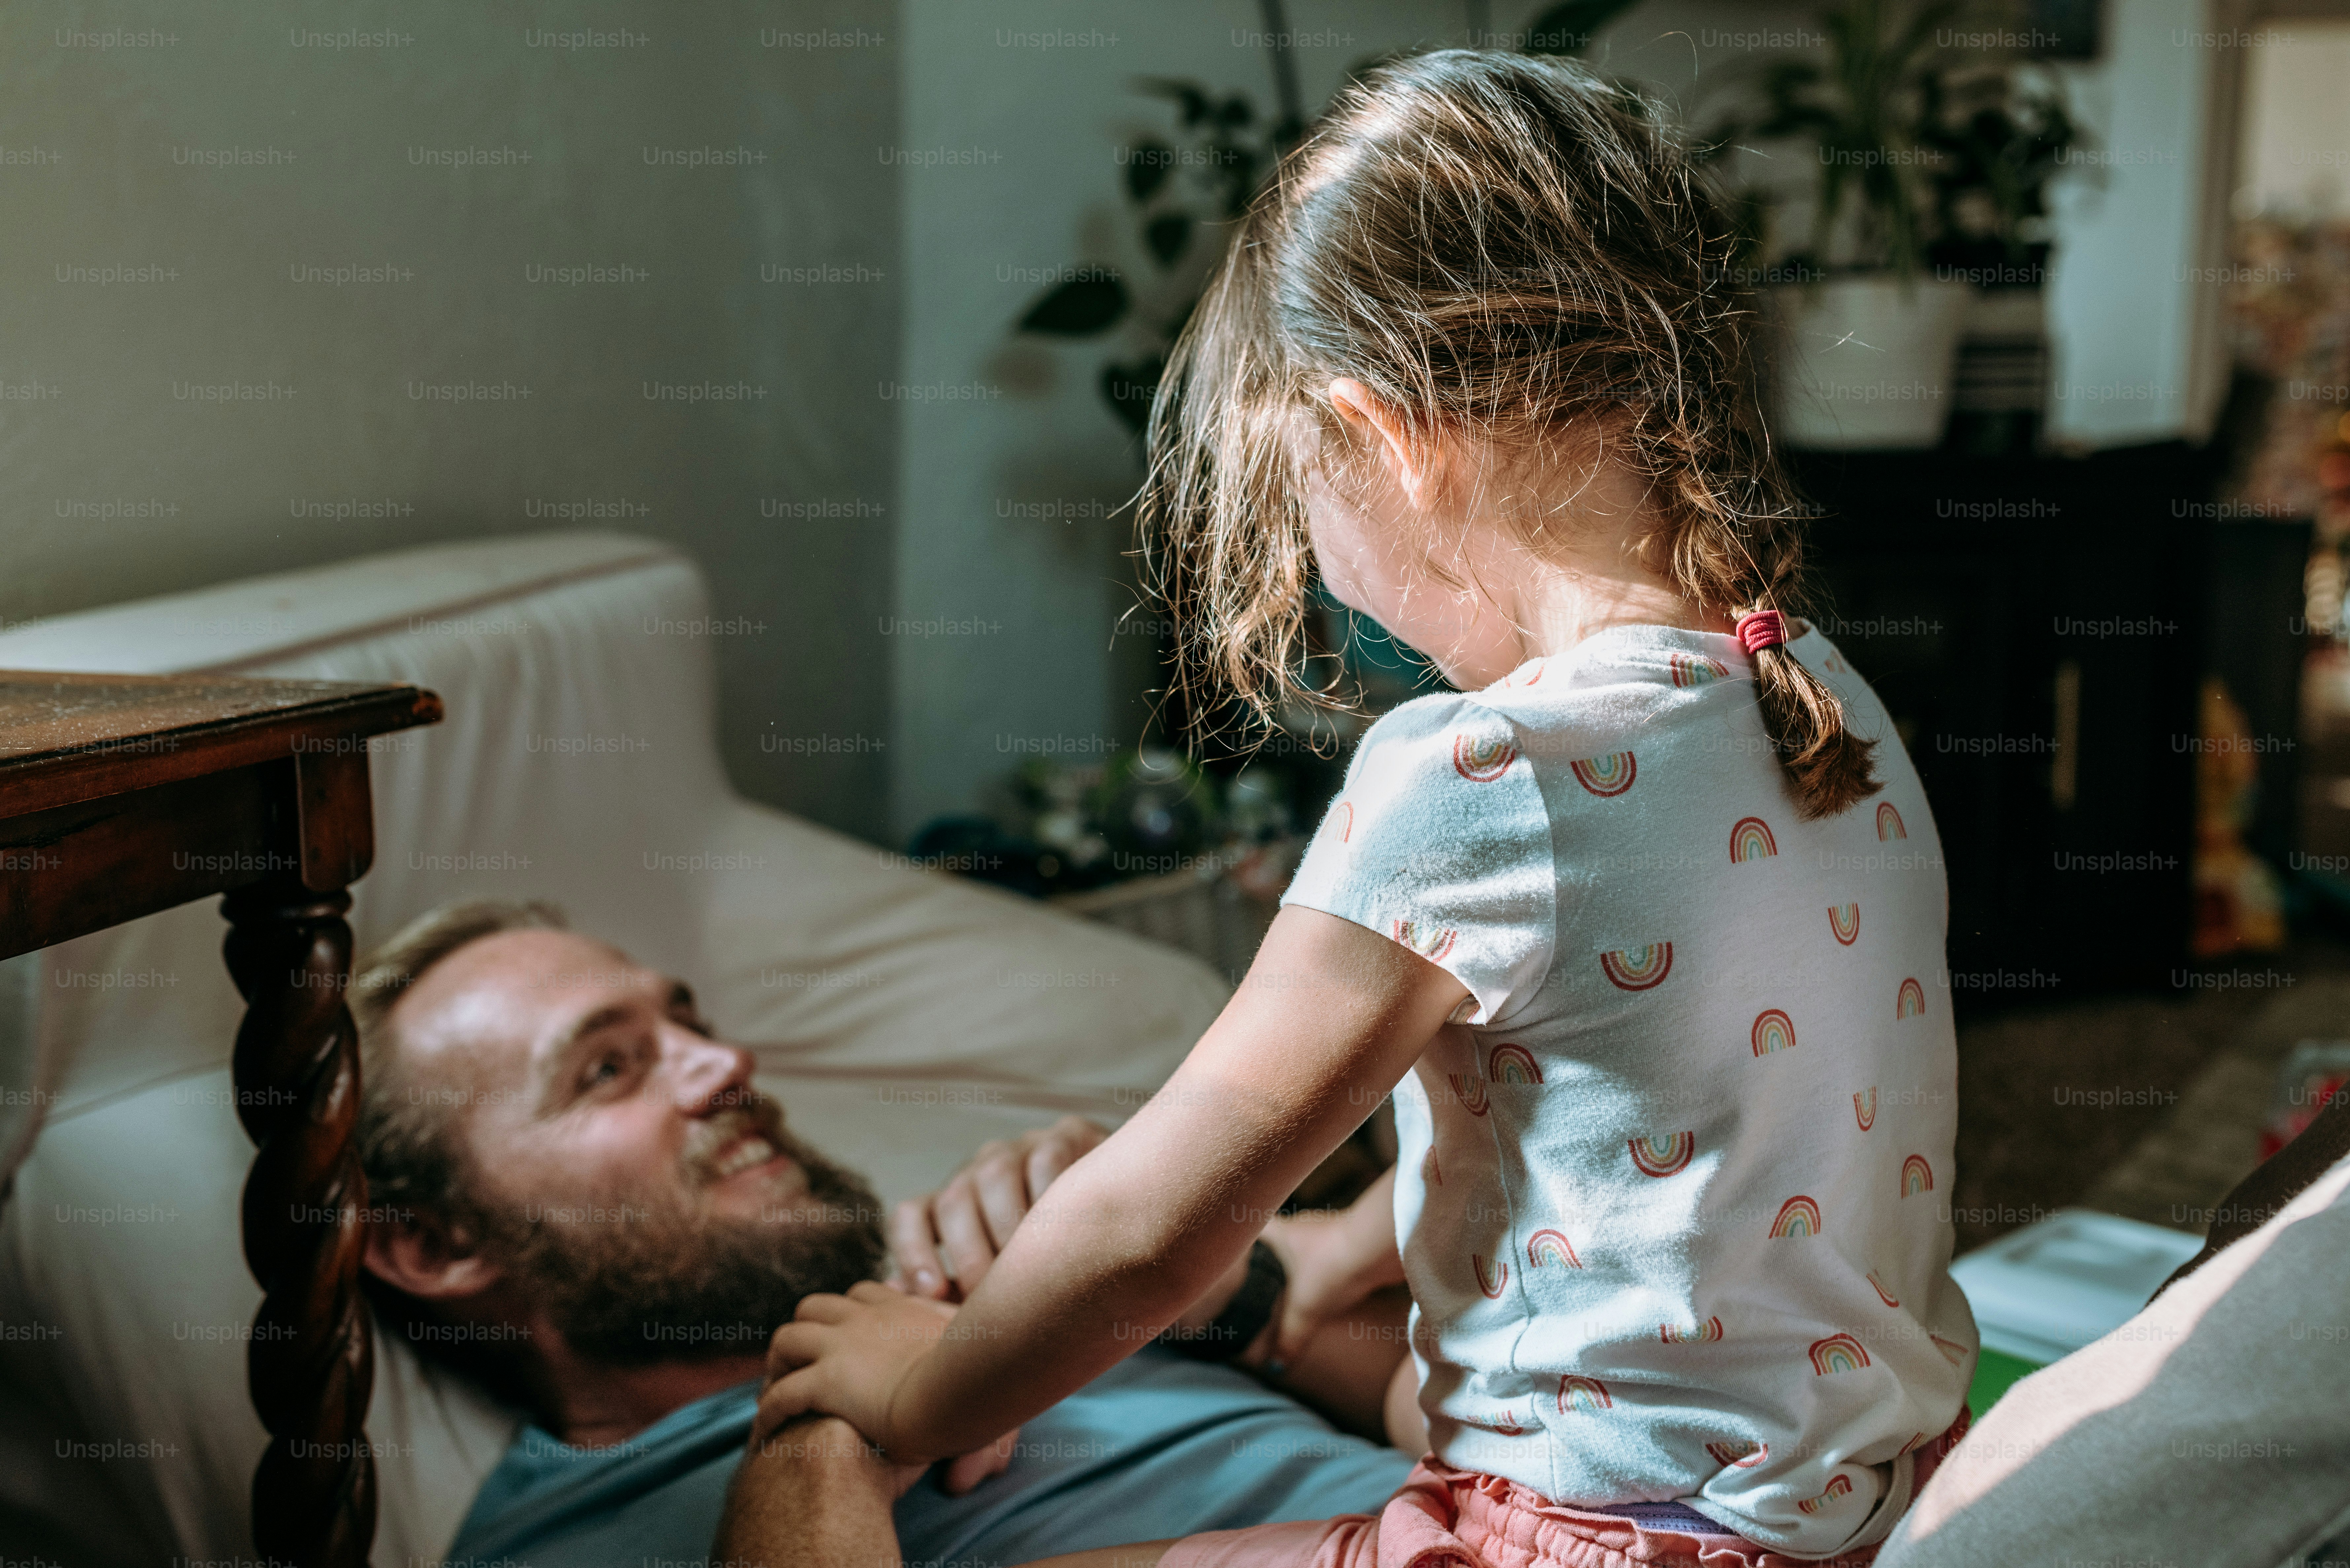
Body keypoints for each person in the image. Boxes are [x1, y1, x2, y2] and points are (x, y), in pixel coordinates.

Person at [753, 47, 1974, 1568]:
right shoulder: (1813, 691)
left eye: (1305, 494)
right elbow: (1673, 1093)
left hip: (1592, 1539)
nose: (1324, 564)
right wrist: (1342, 1248)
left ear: (1382, 435)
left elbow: (1154, 1222)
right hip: (1863, 1507)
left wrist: (920, 1390)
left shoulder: (1479, 774)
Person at [348, 900, 1426, 1566]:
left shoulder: (983, 1275)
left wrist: (1193, 1284)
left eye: (690, 1023)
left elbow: (1476, 1384)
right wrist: (839, 1429)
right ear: (438, 1247)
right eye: (607, 1070)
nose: (723, 1068)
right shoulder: (560, 1549)